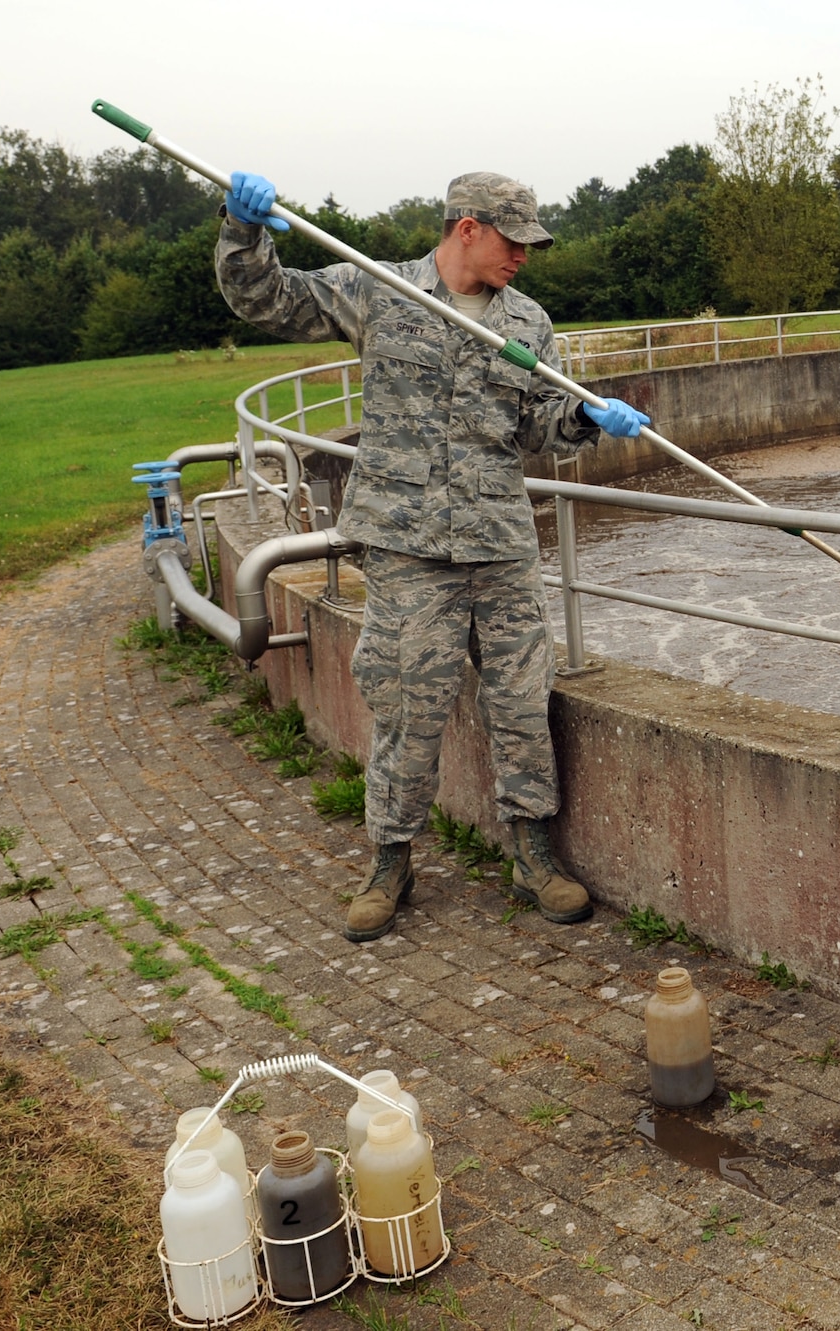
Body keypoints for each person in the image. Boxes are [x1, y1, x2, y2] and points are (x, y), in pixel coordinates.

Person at [215, 170, 649, 942]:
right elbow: (266, 299)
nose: (525, 255)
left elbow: (534, 428)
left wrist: (583, 416)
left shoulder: (530, 322)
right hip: (410, 546)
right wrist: (243, 230)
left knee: (521, 703)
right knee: (408, 706)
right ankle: (390, 860)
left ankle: (532, 854)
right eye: (515, 240)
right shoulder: (378, 289)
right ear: (468, 227)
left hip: (500, 543)